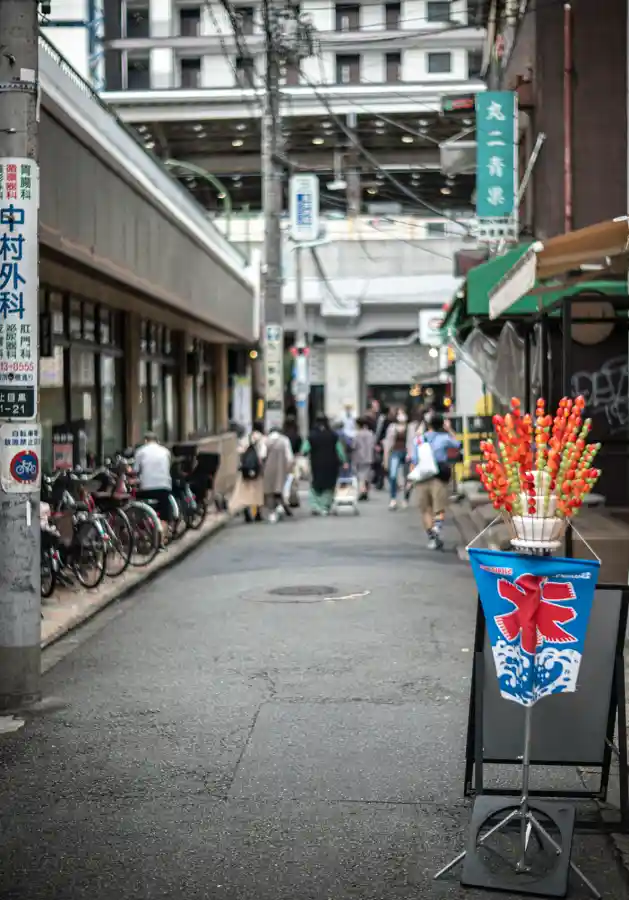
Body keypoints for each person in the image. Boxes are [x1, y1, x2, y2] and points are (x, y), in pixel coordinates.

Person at [412, 412, 461, 550]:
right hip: (438, 477)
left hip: (422, 477)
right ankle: (437, 530)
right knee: (438, 507)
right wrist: (449, 429)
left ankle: (431, 536)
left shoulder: (419, 440)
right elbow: (458, 444)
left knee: (425, 509)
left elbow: (414, 459)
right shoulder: (444, 438)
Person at [301, 413, 346, 515]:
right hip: (331, 464)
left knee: (315, 485)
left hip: (316, 463)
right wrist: (344, 461)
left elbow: (304, 450)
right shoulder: (333, 435)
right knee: (329, 485)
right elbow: (340, 450)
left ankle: (316, 506)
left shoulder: (311, 435)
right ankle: (325, 506)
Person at [134, 431, 177, 527]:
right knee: (164, 515)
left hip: (146, 489)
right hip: (164, 487)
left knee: (137, 503)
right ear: (157, 441)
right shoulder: (165, 451)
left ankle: (142, 525)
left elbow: (135, 471)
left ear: (145, 441)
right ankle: (163, 537)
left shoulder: (140, 451)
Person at [229, 420, 267, 523]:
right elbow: (263, 454)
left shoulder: (247, 437)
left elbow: (239, 450)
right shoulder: (263, 439)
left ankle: (247, 512)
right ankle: (258, 513)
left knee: (245, 491)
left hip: (246, 469)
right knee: (258, 492)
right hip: (257, 470)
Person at [264, 424, 294, 523]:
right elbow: (289, 456)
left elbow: (262, 455)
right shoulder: (284, 440)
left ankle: (272, 513)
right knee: (279, 488)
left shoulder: (266, 441)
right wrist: (290, 467)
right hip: (282, 467)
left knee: (269, 491)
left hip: (268, 468)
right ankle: (280, 506)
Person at [383, 408, 409, 510]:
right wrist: (385, 459)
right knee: (393, 475)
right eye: (399, 413)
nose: (401, 415)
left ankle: (406, 498)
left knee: (408, 478)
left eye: (403, 413)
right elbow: (388, 443)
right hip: (395, 452)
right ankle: (393, 499)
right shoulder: (392, 427)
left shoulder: (410, 427)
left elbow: (413, 442)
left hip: (407, 453)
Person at [353, 417, 376, 500]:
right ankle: (366, 491)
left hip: (359, 457)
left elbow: (353, 445)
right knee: (367, 475)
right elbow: (373, 445)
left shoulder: (357, 434)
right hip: (369, 456)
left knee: (360, 475)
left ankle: (362, 491)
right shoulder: (371, 433)